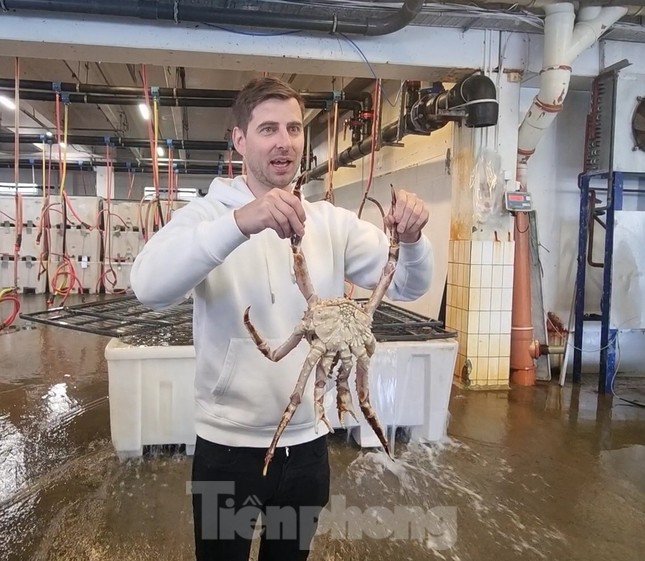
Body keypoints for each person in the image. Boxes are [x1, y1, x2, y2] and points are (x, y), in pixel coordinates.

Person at [131, 76, 432, 561]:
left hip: (308, 447)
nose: (284, 142)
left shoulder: (330, 222)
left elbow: (409, 284)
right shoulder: (207, 217)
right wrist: (240, 223)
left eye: (293, 129)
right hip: (227, 446)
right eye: (267, 129)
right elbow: (148, 287)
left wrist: (413, 240)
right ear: (239, 139)